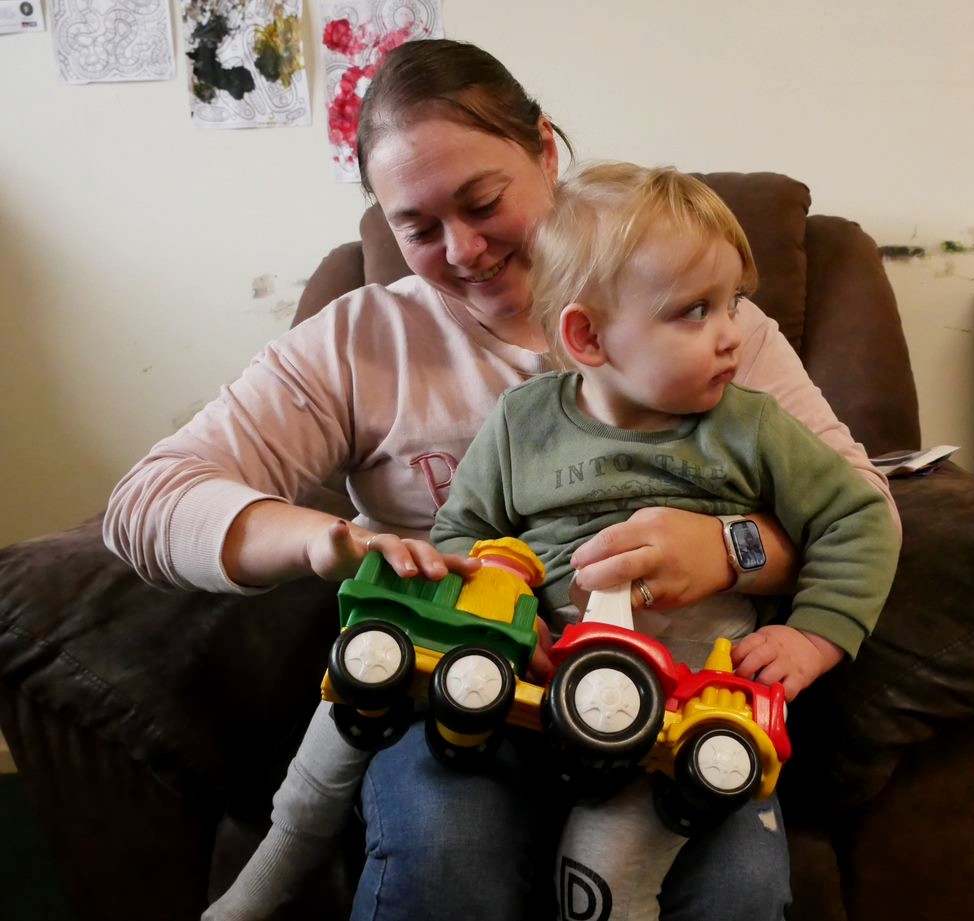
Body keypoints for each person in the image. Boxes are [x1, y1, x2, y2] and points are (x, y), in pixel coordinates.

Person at [104, 38, 897, 921]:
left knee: (735, 890)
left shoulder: (706, 327)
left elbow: (860, 508)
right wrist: (327, 540)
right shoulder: (367, 340)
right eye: (417, 227)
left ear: (544, 152)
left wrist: (730, 547)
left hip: (670, 677)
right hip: (495, 672)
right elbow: (147, 501)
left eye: (483, 201)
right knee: (446, 855)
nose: (464, 248)